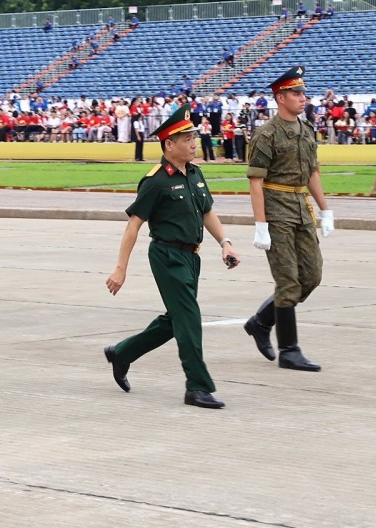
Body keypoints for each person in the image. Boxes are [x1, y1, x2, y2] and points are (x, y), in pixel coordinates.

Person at [103, 106, 239, 409]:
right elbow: (133, 226)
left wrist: (225, 243)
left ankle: (122, 353)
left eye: (193, 137)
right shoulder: (155, 181)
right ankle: (197, 387)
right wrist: (120, 268)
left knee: (176, 318)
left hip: (192, 257)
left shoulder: (195, 173)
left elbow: (207, 213)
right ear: (169, 145)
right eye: (186, 138)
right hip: (167, 255)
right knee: (189, 318)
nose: (193, 143)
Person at [244, 66, 333, 372]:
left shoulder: (306, 130)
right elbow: (256, 181)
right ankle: (289, 350)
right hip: (276, 210)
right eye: (296, 93)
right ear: (280, 98)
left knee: (312, 276)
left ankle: (260, 322)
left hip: (301, 207)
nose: (302, 98)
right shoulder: (266, 134)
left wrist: (325, 209)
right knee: (287, 280)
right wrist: (260, 224)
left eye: (303, 93)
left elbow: (312, 173)